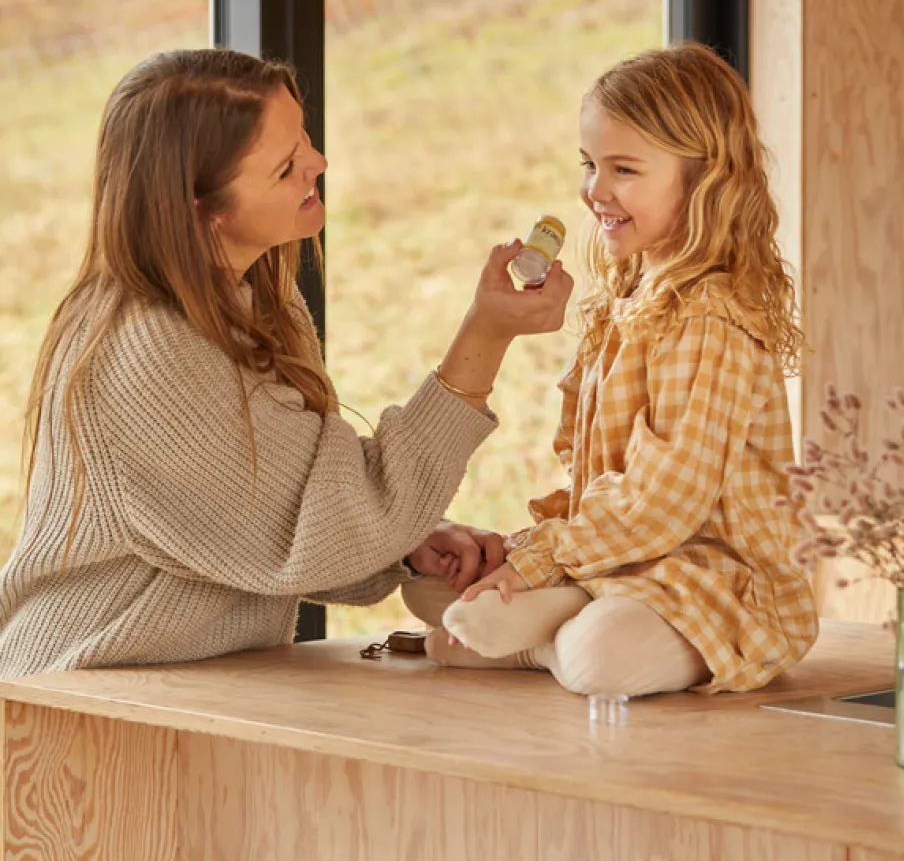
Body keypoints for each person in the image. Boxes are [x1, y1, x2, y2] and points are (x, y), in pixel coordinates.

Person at [0, 49, 571, 676]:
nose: (318, 163)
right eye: (284, 166)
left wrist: (408, 545)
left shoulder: (255, 301)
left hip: (176, 685)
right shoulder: (151, 357)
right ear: (201, 209)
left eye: (304, 139)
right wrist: (485, 337)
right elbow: (327, 527)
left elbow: (284, 514)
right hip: (84, 698)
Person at [404, 44, 818, 696]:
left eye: (623, 169)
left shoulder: (712, 320)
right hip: (624, 559)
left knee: (600, 657)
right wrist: (526, 554)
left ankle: (545, 639)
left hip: (711, 584)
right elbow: (600, 482)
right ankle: (547, 619)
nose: (595, 190)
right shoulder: (630, 295)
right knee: (428, 588)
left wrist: (538, 566)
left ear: (704, 179)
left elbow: (663, 505)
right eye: (590, 164)